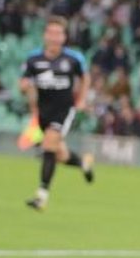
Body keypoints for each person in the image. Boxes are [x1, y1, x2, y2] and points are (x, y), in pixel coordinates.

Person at [19, 16, 95, 211]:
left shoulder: (73, 58)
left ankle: (42, 196)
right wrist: (26, 89)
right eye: (51, 33)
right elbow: (24, 83)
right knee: (59, 154)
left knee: (49, 144)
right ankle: (83, 163)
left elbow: (85, 77)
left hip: (63, 110)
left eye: (58, 33)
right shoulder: (34, 59)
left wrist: (82, 99)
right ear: (45, 35)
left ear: (64, 37)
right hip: (43, 111)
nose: (54, 37)